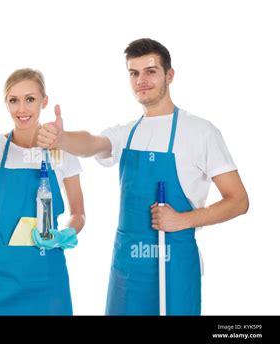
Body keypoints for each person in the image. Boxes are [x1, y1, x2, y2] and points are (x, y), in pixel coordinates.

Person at [37, 38, 249, 315]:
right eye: (133, 73)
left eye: (150, 71)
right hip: (127, 268)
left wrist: (183, 220)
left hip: (175, 264)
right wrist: (62, 138)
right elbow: (93, 143)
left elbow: (238, 200)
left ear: (169, 75)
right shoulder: (127, 132)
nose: (141, 80)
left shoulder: (200, 132)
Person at [0, 68, 85, 315]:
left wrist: (67, 232)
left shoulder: (62, 150)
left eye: (30, 99)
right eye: (13, 100)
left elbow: (78, 212)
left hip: (47, 276)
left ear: (44, 101)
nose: (22, 109)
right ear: (6, 104)